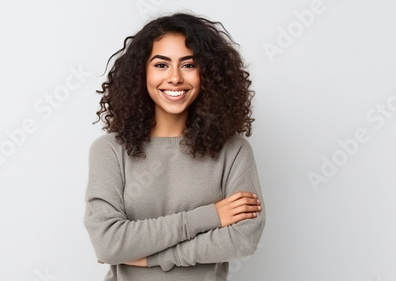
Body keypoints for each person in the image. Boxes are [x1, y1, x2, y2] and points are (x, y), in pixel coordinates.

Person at [84, 12, 265, 281]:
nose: (175, 78)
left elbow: (242, 239)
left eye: (189, 65)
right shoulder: (109, 150)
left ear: (208, 73)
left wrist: (149, 258)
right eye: (161, 65)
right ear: (141, 72)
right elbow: (109, 244)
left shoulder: (234, 150)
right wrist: (211, 216)